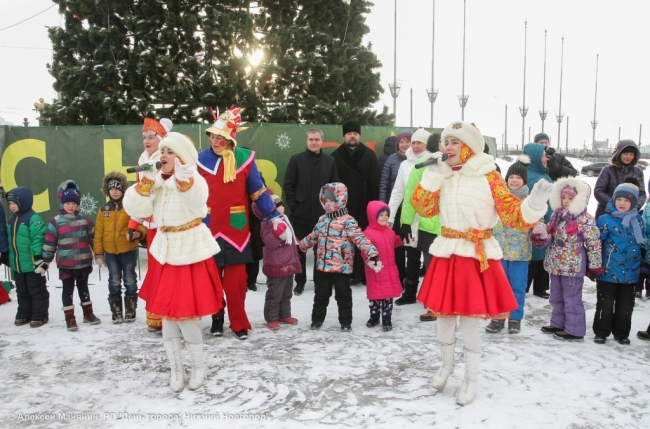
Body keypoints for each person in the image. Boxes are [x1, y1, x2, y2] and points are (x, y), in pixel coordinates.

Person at [411, 121, 552, 405]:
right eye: (445, 142)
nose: (447, 147)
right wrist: (433, 175)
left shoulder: (490, 177)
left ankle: (470, 378)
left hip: (475, 256)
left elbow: (513, 215)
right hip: (447, 252)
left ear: (469, 146)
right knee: (444, 320)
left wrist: (534, 203)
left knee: (469, 323)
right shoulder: (444, 174)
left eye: (454, 142)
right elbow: (423, 207)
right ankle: (446, 366)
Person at [123, 132, 224, 392]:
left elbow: (197, 200)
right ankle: (176, 370)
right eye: (162, 152)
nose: (163, 156)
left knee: (186, 317)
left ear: (181, 157)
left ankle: (198, 367)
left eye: (169, 151)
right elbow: (139, 211)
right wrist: (143, 185)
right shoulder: (156, 182)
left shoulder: (193, 179)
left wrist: (184, 180)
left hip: (189, 253)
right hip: (165, 254)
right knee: (167, 317)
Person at [198, 105, 288, 340]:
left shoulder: (245, 159)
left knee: (236, 285)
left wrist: (274, 217)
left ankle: (238, 322)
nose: (215, 141)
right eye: (213, 136)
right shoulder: (199, 161)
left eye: (220, 137)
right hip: (209, 229)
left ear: (230, 139)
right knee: (213, 281)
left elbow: (258, 192)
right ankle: (217, 318)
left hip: (238, 231)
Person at [299, 183, 380, 331]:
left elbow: (359, 238)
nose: (328, 203)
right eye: (326, 200)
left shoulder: (348, 221)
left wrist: (372, 252)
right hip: (323, 267)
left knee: (343, 296)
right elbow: (313, 236)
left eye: (332, 200)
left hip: (342, 267)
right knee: (320, 296)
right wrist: (301, 247)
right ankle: (316, 320)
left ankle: (345, 322)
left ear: (341, 200)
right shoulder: (322, 220)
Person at [531, 178, 603, 342]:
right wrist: (541, 235)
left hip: (573, 265)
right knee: (556, 296)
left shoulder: (585, 219)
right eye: (563, 198)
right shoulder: (557, 217)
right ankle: (558, 323)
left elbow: (594, 243)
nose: (565, 201)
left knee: (571, 299)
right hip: (556, 264)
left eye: (570, 199)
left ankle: (575, 329)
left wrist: (595, 264)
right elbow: (550, 237)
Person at [129, 117, 173, 332]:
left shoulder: (169, 159)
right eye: (144, 137)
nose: (146, 141)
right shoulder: (143, 160)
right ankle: (156, 314)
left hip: (168, 225)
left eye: (151, 137)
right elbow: (141, 195)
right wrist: (134, 222)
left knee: (167, 271)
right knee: (155, 271)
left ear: (162, 139)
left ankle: (172, 314)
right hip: (152, 227)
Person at [283, 128, 338, 296]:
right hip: (300, 215)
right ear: (307, 141)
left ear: (322, 141)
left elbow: (334, 187)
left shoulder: (330, 161)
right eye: (311, 139)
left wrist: (329, 209)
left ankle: (319, 281)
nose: (314, 142)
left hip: (322, 216)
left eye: (317, 139)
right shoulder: (296, 160)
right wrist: (295, 206)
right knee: (300, 249)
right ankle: (300, 282)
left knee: (321, 250)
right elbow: (289, 185)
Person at [41, 180, 101, 331]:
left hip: (83, 262)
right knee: (67, 291)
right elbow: (50, 244)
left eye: (74, 203)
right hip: (66, 265)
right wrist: (45, 262)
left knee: (84, 289)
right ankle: (70, 318)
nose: (71, 206)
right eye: (67, 203)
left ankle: (88, 314)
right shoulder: (56, 222)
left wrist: (99, 254)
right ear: (62, 203)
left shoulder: (85, 220)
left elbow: (94, 239)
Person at [593, 178, 644, 345]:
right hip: (608, 271)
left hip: (631, 273)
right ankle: (601, 331)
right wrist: (595, 266)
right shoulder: (605, 220)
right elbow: (597, 244)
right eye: (619, 199)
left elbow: (643, 243)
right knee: (605, 304)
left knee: (625, 306)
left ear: (634, 202)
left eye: (627, 200)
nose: (622, 203)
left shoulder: (638, 221)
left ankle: (621, 333)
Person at [487, 159, 533, 334]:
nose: (514, 180)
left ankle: (515, 318)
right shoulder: (499, 198)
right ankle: (497, 318)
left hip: (520, 252)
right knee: (498, 286)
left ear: (524, 181)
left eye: (518, 178)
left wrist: (539, 229)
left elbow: (538, 219)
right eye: (511, 177)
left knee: (517, 287)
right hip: (498, 251)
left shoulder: (529, 201)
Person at [400, 133, 443, 321]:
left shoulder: (457, 166)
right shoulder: (423, 166)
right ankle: (433, 306)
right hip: (429, 227)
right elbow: (410, 195)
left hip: (454, 227)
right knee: (432, 269)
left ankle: (455, 304)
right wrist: (406, 222)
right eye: (444, 143)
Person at [94, 172, 146, 324]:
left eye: (117, 188)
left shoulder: (130, 207)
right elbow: (99, 233)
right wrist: (98, 253)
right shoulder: (104, 209)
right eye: (111, 189)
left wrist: (138, 234)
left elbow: (141, 225)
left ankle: (130, 310)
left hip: (128, 250)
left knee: (130, 280)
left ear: (123, 190)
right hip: (110, 253)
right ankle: (116, 312)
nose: (115, 191)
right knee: (114, 281)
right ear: (107, 191)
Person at [331, 121, 379, 284]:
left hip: (364, 203)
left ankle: (363, 273)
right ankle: (345, 273)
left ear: (359, 136)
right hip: (343, 206)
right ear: (344, 136)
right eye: (349, 134)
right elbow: (332, 183)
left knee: (363, 237)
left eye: (355, 134)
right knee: (344, 239)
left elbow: (374, 181)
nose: (352, 136)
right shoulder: (335, 156)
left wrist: (373, 205)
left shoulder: (369, 155)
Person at [386, 128, 430, 305]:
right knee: (411, 255)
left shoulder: (433, 162)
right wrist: (390, 215)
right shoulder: (404, 165)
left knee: (430, 257)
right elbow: (397, 191)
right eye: (414, 142)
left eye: (420, 142)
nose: (416, 146)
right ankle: (410, 292)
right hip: (409, 216)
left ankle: (431, 294)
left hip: (429, 217)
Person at [254, 194, 301, 330]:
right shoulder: (267, 223)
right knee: (275, 292)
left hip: (288, 262)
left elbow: (291, 237)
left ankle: (284, 314)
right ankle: (272, 317)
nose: (283, 208)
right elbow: (269, 242)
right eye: (279, 206)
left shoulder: (283, 219)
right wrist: (276, 233)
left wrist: (298, 247)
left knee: (287, 292)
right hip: (276, 264)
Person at [5, 187, 49, 327]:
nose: (11, 206)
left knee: (36, 289)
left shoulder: (33, 218)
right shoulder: (12, 220)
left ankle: (40, 315)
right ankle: (25, 313)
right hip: (18, 265)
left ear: (24, 202)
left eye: (14, 203)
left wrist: (38, 259)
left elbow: (38, 238)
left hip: (31, 264)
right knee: (22, 290)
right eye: (9, 204)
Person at [363, 201, 404, 332]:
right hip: (375, 271)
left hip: (389, 270)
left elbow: (395, 242)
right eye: (381, 214)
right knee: (375, 297)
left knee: (387, 297)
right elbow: (364, 250)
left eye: (386, 214)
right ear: (372, 216)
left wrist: (402, 238)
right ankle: (374, 317)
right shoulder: (368, 233)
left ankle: (387, 319)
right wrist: (372, 261)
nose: (385, 217)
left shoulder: (389, 231)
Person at [523, 143, 553, 299]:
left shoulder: (541, 173)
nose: (546, 159)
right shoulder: (532, 177)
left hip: (545, 220)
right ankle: (532, 287)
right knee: (535, 255)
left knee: (541, 254)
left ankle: (540, 287)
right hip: (538, 221)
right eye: (542, 156)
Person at [594, 140, 646, 220]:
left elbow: (642, 193)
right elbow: (598, 191)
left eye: (631, 154)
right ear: (618, 154)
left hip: (629, 215)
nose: (628, 157)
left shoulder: (638, 171)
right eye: (625, 154)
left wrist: (635, 206)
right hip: (607, 213)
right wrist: (613, 204)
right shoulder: (608, 170)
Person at [379, 129, 413, 203]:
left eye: (407, 141)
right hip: (394, 205)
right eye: (401, 142)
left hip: (413, 206)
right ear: (397, 144)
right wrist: (383, 205)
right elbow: (384, 186)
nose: (404, 145)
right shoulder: (391, 159)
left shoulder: (418, 159)